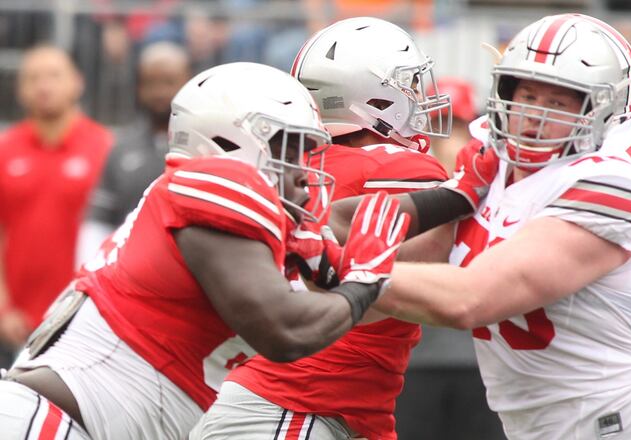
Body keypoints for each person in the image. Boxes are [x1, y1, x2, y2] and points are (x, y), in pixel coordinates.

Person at [389, 13, 631, 439]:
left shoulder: (601, 164)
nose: (533, 117)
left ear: (600, 102)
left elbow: (473, 294)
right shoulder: (610, 122)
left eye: (556, 99)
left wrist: (343, 261)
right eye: (522, 90)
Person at [0, 62, 409, 440]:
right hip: (55, 424)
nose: (303, 170)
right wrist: (364, 284)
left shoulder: (219, 212)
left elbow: (357, 217)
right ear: (230, 140)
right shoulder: (215, 188)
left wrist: (462, 191)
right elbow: (286, 331)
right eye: (289, 148)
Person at [190, 17, 459, 440]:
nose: (420, 97)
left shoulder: (293, 167)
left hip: (289, 400)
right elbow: (445, 267)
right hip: (298, 403)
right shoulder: (393, 164)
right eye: (408, 84)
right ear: (376, 97)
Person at [396, 77, 505, 440]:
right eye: (434, 127)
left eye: (454, 126)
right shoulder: (399, 190)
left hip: (482, 367)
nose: (444, 140)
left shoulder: (496, 191)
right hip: (413, 366)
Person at [0, 45, 112, 358]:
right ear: (20, 89)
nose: (43, 85)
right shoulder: (5, 149)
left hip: (83, 322)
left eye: (53, 75)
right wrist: (3, 307)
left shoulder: (104, 149)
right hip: (15, 325)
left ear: (78, 82)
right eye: (33, 78)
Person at [78, 42, 192, 262]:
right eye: (150, 83)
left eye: (169, 82)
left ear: (188, 81)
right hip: (129, 277)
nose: (160, 92)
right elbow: (98, 222)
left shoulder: (206, 146)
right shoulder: (121, 148)